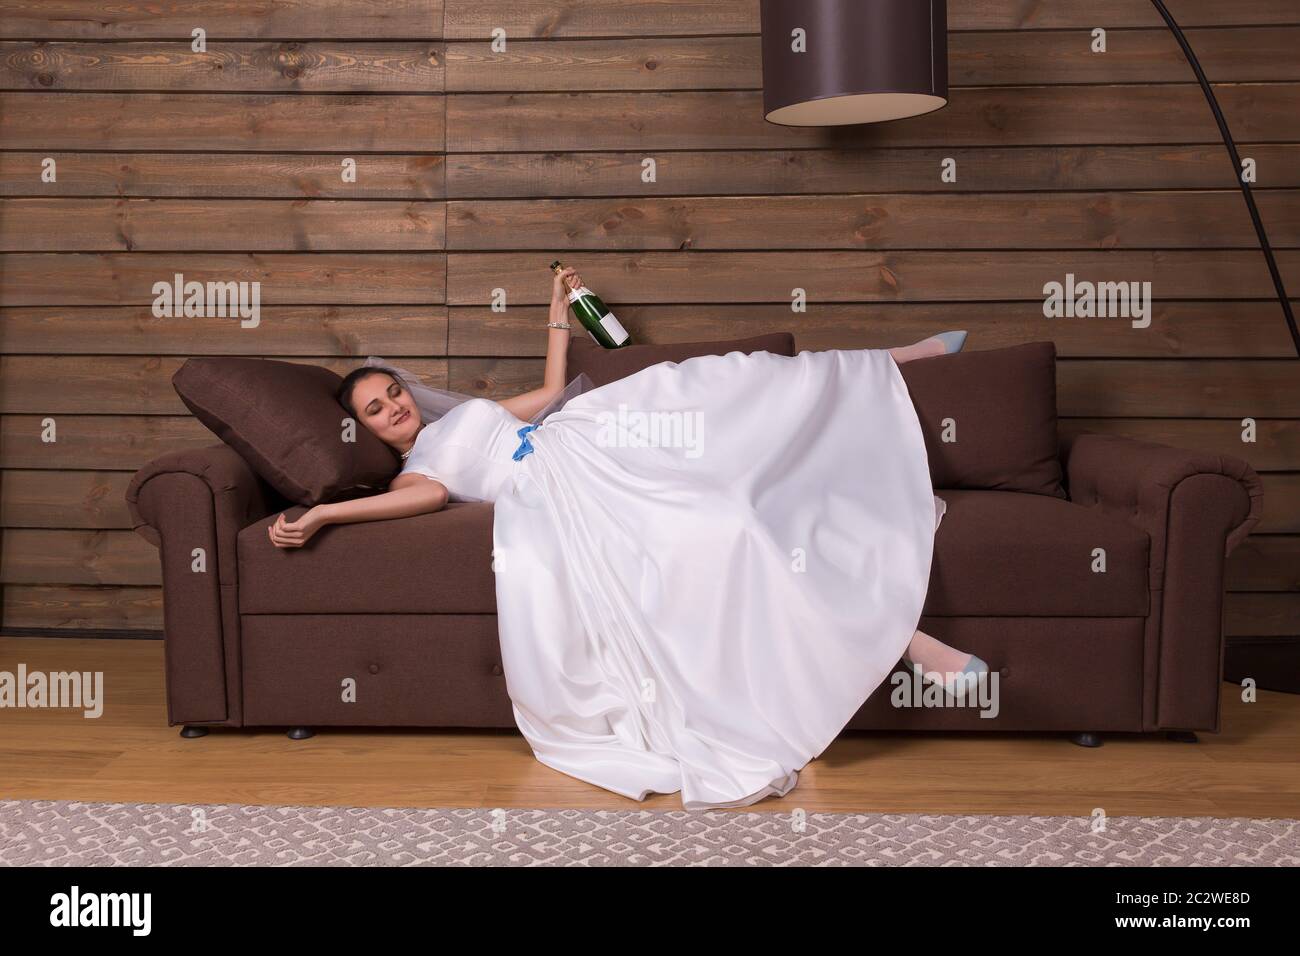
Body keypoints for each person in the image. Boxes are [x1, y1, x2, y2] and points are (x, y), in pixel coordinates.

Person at [268, 264, 989, 810]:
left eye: (391, 391)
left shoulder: (464, 415)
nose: (393, 406)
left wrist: (556, 315)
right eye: (375, 409)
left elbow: (551, 399)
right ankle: (909, 643)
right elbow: (421, 498)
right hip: (557, 491)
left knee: (719, 380)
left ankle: (897, 360)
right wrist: (327, 513)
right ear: (361, 430)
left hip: (587, 437)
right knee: (721, 526)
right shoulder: (414, 472)